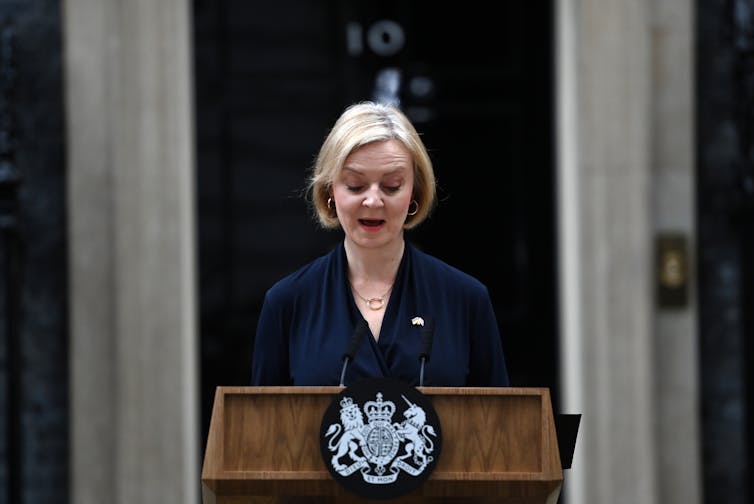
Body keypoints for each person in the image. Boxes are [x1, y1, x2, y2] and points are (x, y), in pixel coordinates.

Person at [251, 101, 509, 387]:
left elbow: (497, 423)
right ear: (330, 192)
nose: (373, 201)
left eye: (392, 186)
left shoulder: (466, 299)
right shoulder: (288, 302)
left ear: (414, 193)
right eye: (355, 185)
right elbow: (263, 425)